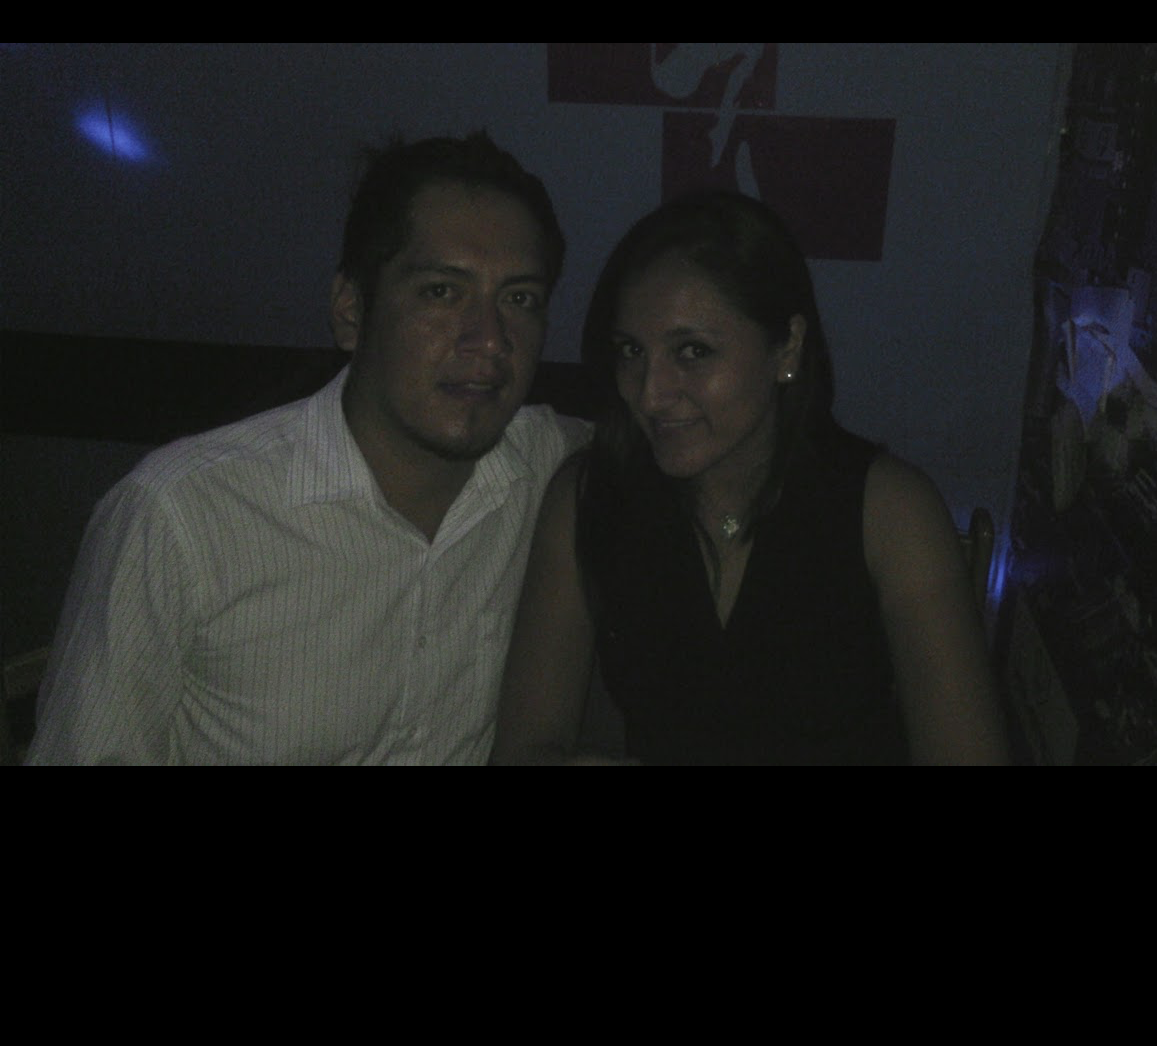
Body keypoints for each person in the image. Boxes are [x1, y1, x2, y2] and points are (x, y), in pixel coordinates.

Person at [26, 134, 589, 766]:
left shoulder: (548, 465)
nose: (489, 339)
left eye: (519, 299)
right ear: (351, 313)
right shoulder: (181, 515)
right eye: (441, 291)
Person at [491, 191, 1011, 766]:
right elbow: (524, 747)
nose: (650, 392)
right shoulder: (590, 496)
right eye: (632, 352)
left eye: (692, 351)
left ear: (787, 348)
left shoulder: (888, 509)